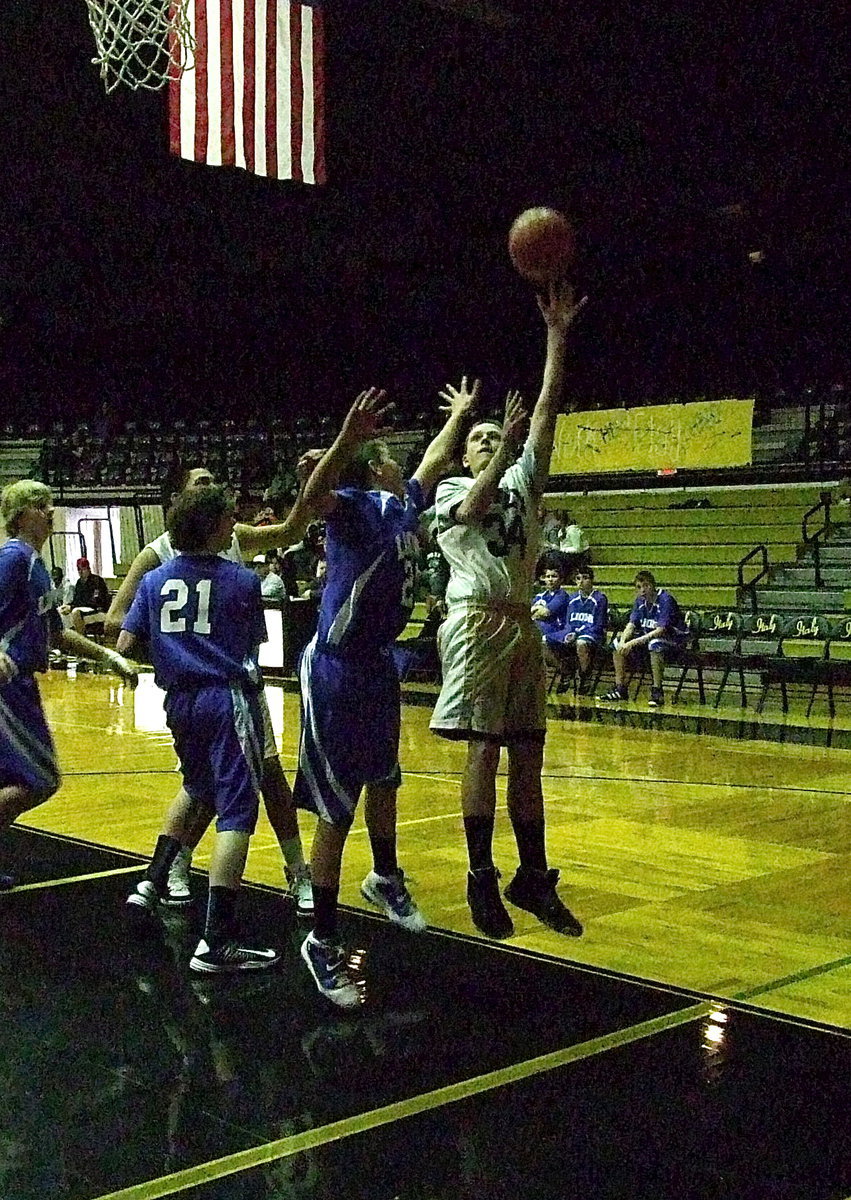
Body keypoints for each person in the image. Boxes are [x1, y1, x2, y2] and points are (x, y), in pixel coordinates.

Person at [294, 382, 474, 1007]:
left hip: (376, 665)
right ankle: (320, 939)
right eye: (388, 453)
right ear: (374, 468)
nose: (404, 458)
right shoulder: (351, 507)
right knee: (335, 811)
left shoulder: (402, 507)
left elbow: (431, 460)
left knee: (387, 780)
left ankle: (385, 876)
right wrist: (347, 436)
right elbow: (311, 497)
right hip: (336, 670)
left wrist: (458, 417)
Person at [429, 282, 586, 940]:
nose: (495, 440)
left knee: (528, 755)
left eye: (500, 434)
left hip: (519, 622)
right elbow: (470, 512)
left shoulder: (523, 478)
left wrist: (555, 337)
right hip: (472, 620)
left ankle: (532, 874)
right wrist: (496, 450)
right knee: (484, 753)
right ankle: (479, 876)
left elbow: (546, 412)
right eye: (482, 437)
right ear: (467, 451)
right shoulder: (451, 486)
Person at [106, 461, 317, 915]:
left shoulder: (233, 535)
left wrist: (308, 484)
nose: (215, 487)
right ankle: (208, 911)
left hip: (195, 695)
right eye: (202, 484)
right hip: (227, 689)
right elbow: (115, 621)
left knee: (227, 782)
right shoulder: (156, 557)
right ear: (180, 499)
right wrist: (181, 651)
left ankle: (163, 875)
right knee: (234, 796)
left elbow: (295, 526)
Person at [118, 487, 278, 973]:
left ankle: (150, 883)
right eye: (229, 518)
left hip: (178, 700)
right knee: (238, 811)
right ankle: (217, 943)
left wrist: (176, 653)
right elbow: (252, 646)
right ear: (211, 526)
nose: (234, 525)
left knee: (196, 786)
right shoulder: (243, 581)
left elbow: (126, 641)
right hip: (226, 697)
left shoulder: (153, 580)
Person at [0, 480, 137, 890]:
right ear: (22, 514)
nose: (51, 512)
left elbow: (56, 633)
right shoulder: (12, 558)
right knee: (39, 779)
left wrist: (110, 657)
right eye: (42, 506)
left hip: (21, 687)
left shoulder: (36, 565)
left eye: (51, 505)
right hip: (6, 689)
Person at [598, 569, 687, 708]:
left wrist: (632, 643)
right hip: (649, 640)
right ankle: (620, 688)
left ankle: (657, 690)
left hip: (674, 641)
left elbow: (660, 630)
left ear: (653, 585)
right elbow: (631, 624)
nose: (643, 590)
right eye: (639, 587)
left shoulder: (666, 600)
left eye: (646, 586)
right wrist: (623, 642)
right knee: (616, 644)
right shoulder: (639, 601)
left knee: (655, 644)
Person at [561, 566, 609, 691]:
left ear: (592, 580)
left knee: (581, 643)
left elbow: (598, 625)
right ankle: (565, 670)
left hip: (594, 635)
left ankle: (585, 675)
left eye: (585, 578)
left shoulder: (600, 598)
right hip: (574, 633)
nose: (581, 581)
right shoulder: (572, 598)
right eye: (578, 578)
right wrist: (568, 633)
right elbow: (568, 622)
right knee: (545, 641)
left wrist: (577, 633)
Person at [60, 557, 111, 636]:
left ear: (88, 569)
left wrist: (72, 607)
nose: (81, 572)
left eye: (83, 569)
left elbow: (95, 601)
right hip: (83, 608)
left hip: (98, 609)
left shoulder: (97, 581)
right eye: (79, 570)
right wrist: (68, 606)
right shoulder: (79, 583)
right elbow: (76, 600)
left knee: (75, 612)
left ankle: (81, 640)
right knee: (62, 611)